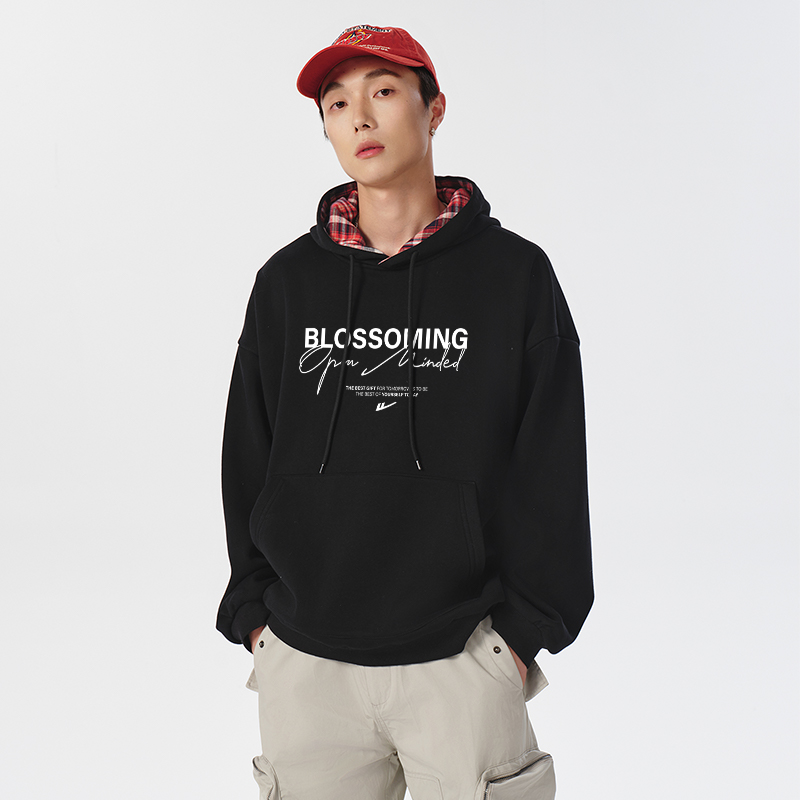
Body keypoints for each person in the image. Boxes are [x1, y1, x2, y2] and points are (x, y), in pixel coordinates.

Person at [216, 23, 594, 800]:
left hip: (461, 660)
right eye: (336, 103)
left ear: (435, 108)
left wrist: (520, 637)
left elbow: (551, 464)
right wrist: (257, 619)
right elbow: (247, 456)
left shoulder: (515, 276)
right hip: (307, 666)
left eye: (383, 91)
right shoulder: (285, 285)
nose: (359, 116)